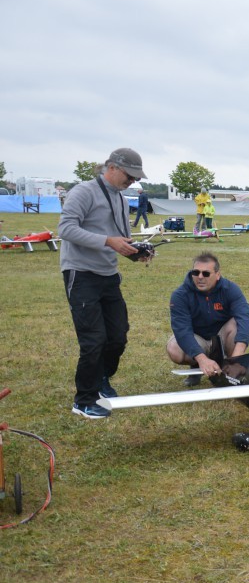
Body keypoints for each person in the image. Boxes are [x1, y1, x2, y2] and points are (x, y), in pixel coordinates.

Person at [58, 148, 151, 418]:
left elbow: (121, 237)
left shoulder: (121, 198)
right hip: (81, 273)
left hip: (108, 276)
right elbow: (65, 229)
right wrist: (107, 241)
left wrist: (136, 252)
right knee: (93, 339)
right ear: (111, 167)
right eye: (129, 175)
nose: (132, 181)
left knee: (118, 336)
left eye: (136, 177)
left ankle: (100, 379)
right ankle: (84, 400)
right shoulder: (83, 191)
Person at [167, 252, 249, 386]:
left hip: (222, 337)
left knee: (238, 323)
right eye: (196, 272)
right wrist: (201, 359)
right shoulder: (180, 295)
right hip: (197, 338)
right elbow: (182, 330)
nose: (200, 277)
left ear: (217, 275)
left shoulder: (230, 289)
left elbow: (246, 317)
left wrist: (236, 360)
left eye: (206, 273)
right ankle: (196, 365)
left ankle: (229, 368)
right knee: (174, 349)